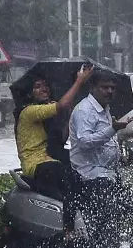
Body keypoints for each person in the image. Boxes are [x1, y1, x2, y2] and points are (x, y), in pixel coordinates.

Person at [67, 73, 131, 248]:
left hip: (108, 173)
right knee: (108, 214)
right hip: (90, 175)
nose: (109, 91)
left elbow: (107, 142)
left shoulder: (105, 109)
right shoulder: (85, 110)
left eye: (112, 88)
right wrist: (113, 129)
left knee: (132, 206)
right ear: (93, 88)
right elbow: (84, 142)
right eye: (105, 87)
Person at [15, 65, 92, 213]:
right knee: (63, 174)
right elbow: (61, 105)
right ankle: (69, 222)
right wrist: (79, 81)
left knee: (81, 167)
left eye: (45, 85)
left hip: (51, 158)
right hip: (36, 163)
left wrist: (70, 116)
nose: (44, 89)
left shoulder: (46, 114)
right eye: (37, 87)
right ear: (30, 93)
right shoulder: (29, 112)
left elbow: (61, 139)